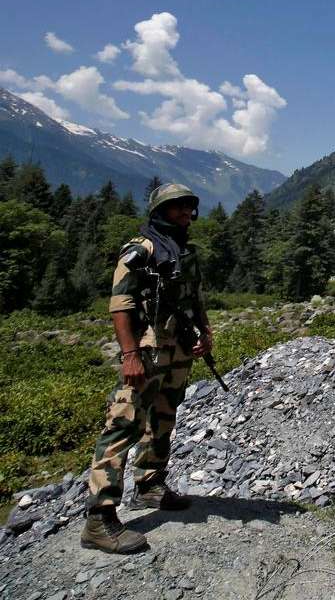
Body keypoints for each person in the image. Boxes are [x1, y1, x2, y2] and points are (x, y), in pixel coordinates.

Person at [81, 184, 212, 554]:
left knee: (164, 416)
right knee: (124, 422)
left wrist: (206, 333)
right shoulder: (140, 250)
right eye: (177, 208)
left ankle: (150, 485)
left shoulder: (186, 251)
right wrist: (129, 355)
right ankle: (99, 518)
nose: (186, 213)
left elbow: (196, 298)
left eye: (189, 207)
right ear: (160, 211)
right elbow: (120, 305)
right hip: (147, 350)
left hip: (178, 350)